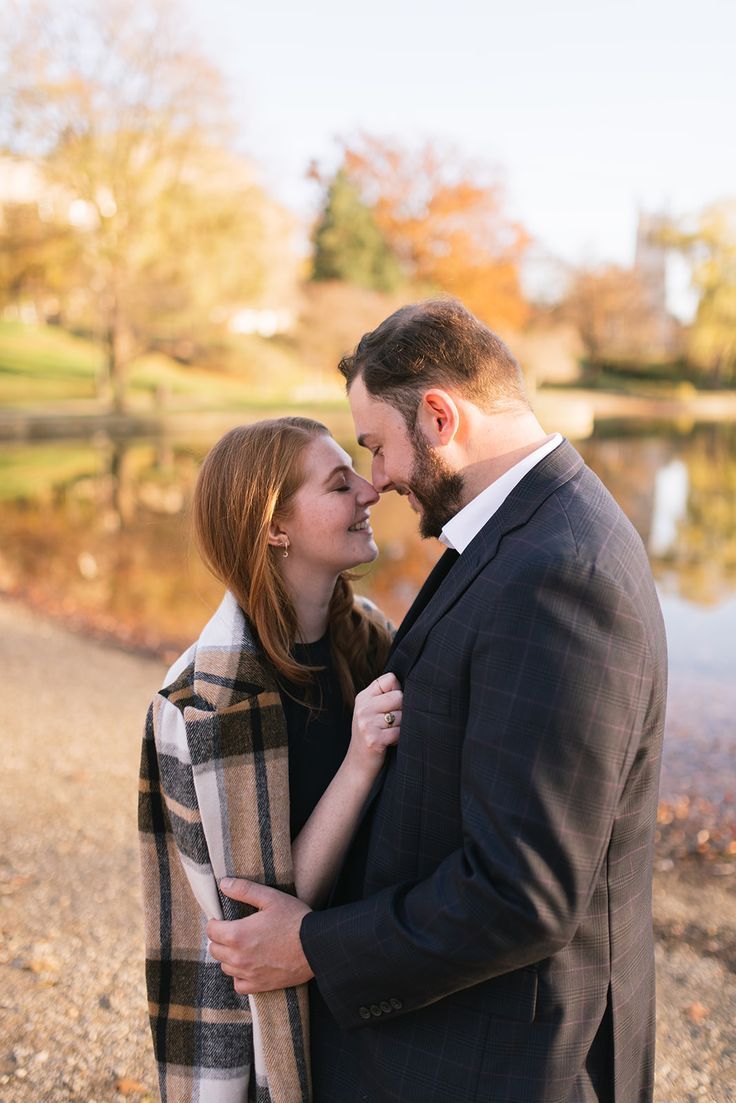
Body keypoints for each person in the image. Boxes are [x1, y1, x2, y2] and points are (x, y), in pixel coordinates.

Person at [207, 300, 668, 1103]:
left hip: (507, 1063)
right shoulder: (516, 532)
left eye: (377, 447)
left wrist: (313, 946)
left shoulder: (560, 574)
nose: (377, 479)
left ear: (440, 415)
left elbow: (522, 892)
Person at [138, 416, 403, 1103]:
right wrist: (360, 759)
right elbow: (256, 930)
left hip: (368, 974)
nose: (371, 492)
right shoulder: (204, 702)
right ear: (274, 528)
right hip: (270, 1022)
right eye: (340, 484)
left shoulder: (367, 636)